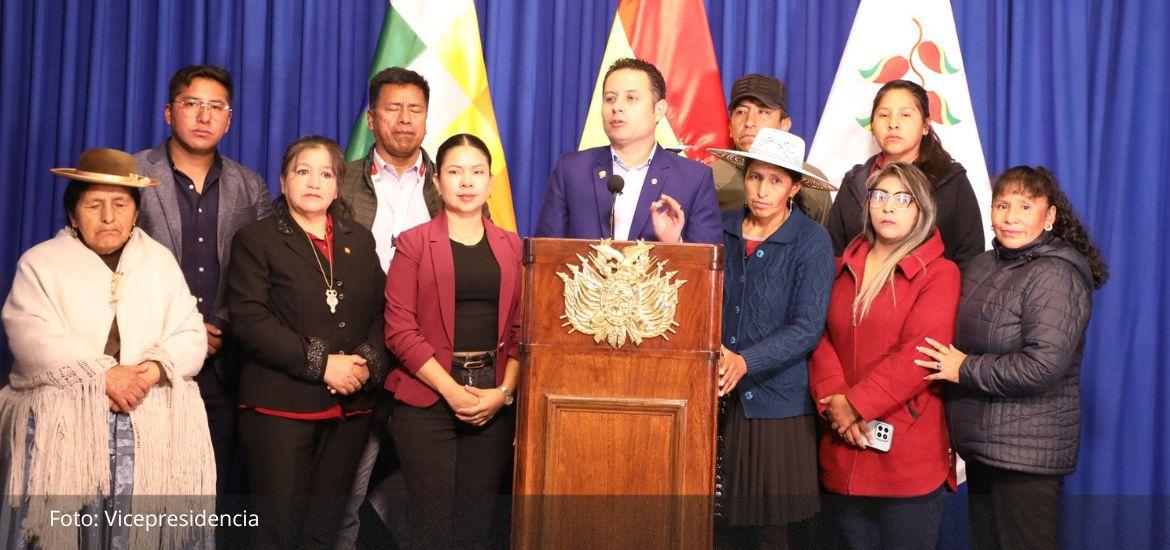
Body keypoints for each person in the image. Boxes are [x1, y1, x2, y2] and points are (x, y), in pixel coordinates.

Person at [0, 148, 214, 549]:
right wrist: (103, 375)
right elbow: (30, 334)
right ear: (72, 214)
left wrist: (152, 371)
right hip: (69, 422)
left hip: (147, 415)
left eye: (120, 204)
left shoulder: (159, 262)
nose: (108, 217)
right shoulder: (41, 263)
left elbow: (190, 332)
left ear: (136, 212)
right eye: (93, 205)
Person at [916, 166, 1107, 550]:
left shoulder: (1056, 274)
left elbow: (1042, 366)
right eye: (1002, 205)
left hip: (1026, 456)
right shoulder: (984, 264)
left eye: (1025, 206)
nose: (1010, 217)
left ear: (1049, 216)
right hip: (983, 446)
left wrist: (963, 368)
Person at [227, 136, 388, 550]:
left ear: (337, 186)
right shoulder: (256, 239)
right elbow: (249, 321)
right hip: (280, 408)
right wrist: (324, 364)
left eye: (325, 173)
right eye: (303, 171)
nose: (314, 182)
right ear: (283, 182)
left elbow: (381, 312)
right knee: (278, 534)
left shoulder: (359, 238)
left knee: (323, 532)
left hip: (350, 409)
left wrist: (365, 363)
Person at [133, 64, 273, 499]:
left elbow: (264, 270)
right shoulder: (132, 173)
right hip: (147, 356)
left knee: (213, 486)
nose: (204, 116)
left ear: (229, 120)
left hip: (223, 361)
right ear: (168, 112)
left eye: (216, 107)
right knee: (147, 488)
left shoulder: (249, 186)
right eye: (192, 103)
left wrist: (221, 325)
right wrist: (182, 334)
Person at [809, 162, 960, 550]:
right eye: (879, 196)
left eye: (902, 199)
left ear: (921, 209)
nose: (888, 206)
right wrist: (836, 404)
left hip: (906, 457)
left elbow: (920, 353)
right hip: (843, 445)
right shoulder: (840, 268)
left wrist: (856, 405)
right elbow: (817, 336)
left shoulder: (940, 273)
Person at [384, 134, 522, 550]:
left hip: (492, 399)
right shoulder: (413, 242)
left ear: (491, 182)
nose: (466, 182)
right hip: (427, 397)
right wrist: (450, 390)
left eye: (477, 172)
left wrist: (503, 393)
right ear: (436, 180)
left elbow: (522, 330)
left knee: (475, 528)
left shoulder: (514, 246)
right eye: (455, 171)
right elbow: (399, 330)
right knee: (432, 528)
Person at [706, 128, 836, 549]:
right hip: (714, 397)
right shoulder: (720, 229)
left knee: (772, 530)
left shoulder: (811, 240)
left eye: (776, 181)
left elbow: (807, 327)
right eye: (755, 177)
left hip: (776, 403)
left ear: (795, 188)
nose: (762, 191)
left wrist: (746, 361)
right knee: (715, 524)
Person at [534, 57, 722, 244]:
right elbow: (545, 252)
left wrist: (674, 244)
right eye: (610, 99)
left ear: (658, 110)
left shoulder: (694, 179)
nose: (617, 107)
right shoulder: (571, 170)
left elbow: (708, 259)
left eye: (631, 98)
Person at [824, 79, 984, 268]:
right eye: (884, 115)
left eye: (905, 115)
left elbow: (971, 258)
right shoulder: (855, 182)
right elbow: (832, 254)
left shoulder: (950, 180)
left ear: (926, 126)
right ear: (872, 124)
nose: (893, 124)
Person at [709, 74, 832, 222]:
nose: (749, 122)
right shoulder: (709, 179)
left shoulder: (811, 187)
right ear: (730, 127)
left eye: (763, 112)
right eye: (741, 112)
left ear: (784, 125)